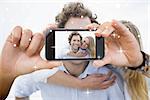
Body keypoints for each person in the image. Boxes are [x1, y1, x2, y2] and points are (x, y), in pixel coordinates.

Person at [0, 2, 149, 100]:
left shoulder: (109, 77)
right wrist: (5, 75)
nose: (80, 40)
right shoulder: (41, 73)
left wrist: (140, 61)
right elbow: (20, 91)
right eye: (74, 34)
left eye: (85, 33)